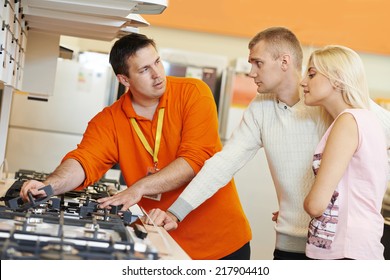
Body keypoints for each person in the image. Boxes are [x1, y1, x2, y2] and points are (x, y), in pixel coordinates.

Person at [145, 27, 390, 260]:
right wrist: (177, 212)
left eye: (257, 63)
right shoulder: (261, 108)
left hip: (336, 247)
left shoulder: (331, 101)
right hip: (289, 244)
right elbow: (224, 163)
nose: (251, 72)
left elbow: (368, 149)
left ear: (284, 62)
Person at [19, 33, 252, 260]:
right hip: (162, 243)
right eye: (144, 70)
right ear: (124, 80)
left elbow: (196, 159)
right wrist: (49, 185)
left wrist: (138, 189)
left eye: (157, 62)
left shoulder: (194, 93)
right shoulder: (109, 120)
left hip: (223, 245)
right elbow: (84, 160)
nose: (158, 74)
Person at [301, 45, 388, 260]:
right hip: (357, 248)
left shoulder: (348, 121)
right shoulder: (365, 120)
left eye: (311, 74)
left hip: (345, 251)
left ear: (337, 79)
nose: (303, 81)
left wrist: (301, 208)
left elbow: (316, 204)